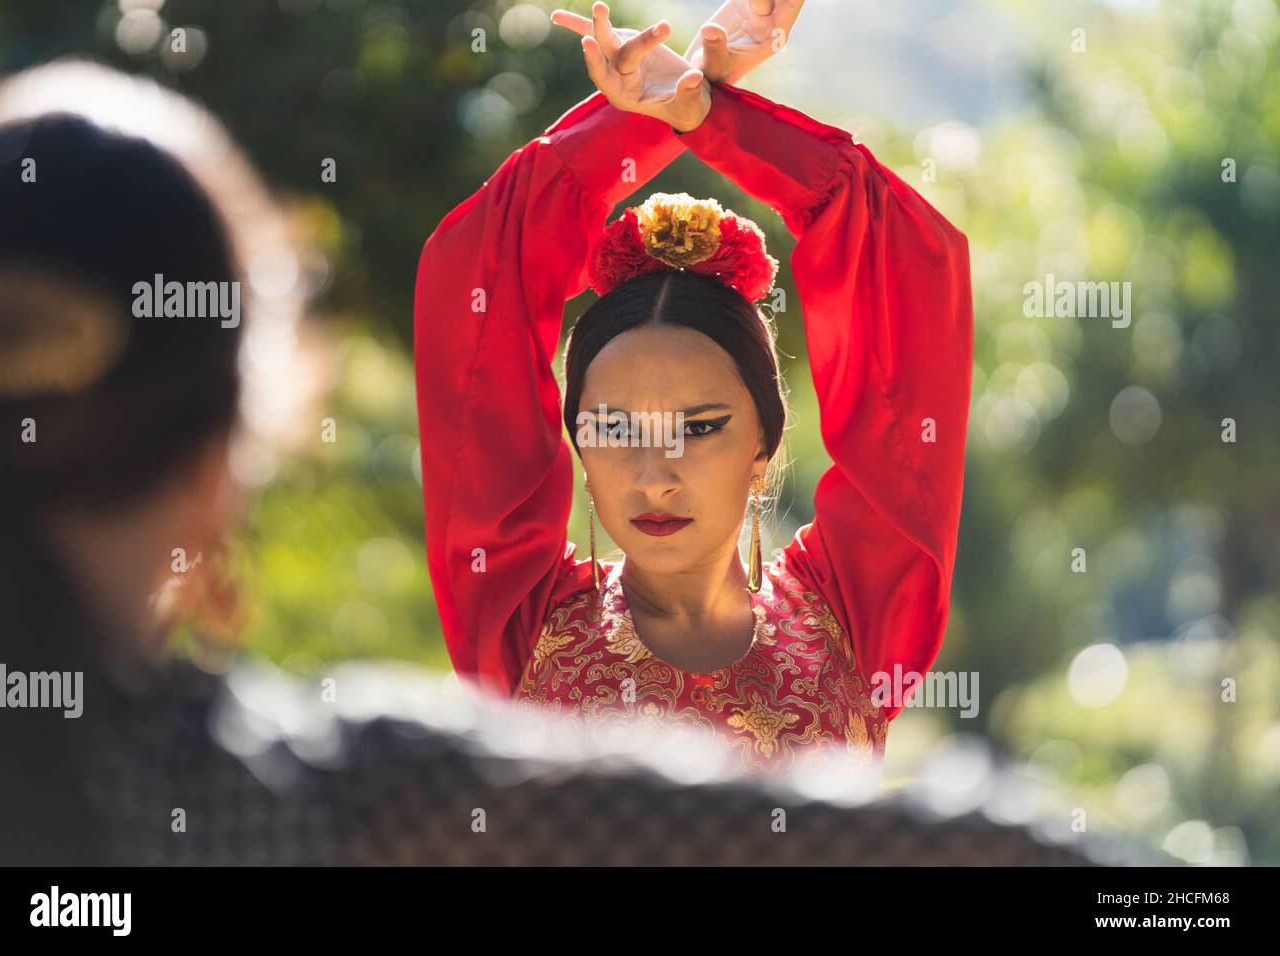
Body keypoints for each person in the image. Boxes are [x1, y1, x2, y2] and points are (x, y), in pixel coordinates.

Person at [414, 1, 974, 779]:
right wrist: (653, 116)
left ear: (764, 441)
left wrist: (706, 114)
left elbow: (907, 264)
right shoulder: (518, 629)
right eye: (614, 430)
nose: (655, 474)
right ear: (575, 441)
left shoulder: (855, 617)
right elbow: (475, 279)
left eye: (701, 426)